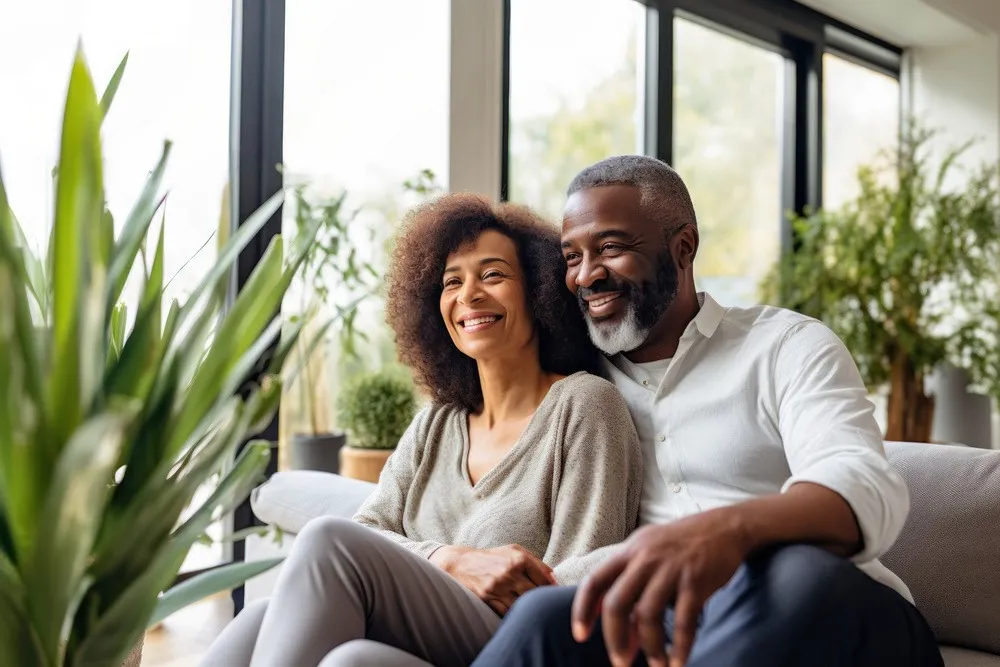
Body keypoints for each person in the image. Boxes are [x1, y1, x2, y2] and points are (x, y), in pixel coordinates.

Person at [470, 156, 944, 667]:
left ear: (683, 248)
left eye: (610, 247)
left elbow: (863, 484)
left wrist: (731, 531)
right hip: (678, 625)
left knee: (795, 571)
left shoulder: (785, 345)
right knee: (545, 616)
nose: (587, 275)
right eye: (571, 257)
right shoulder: (577, 389)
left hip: (840, 613)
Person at [200, 194, 643, 667]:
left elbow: (578, 582)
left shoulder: (584, 405)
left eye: (492, 275)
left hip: (516, 641)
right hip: (426, 645)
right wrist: (448, 559)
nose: (469, 295)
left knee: (326, 540)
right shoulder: (438, 422)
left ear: (539, 292)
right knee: (278, 625)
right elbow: (369, 527)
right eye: (452, 282)